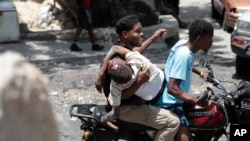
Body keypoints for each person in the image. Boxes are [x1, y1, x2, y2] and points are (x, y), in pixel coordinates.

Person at [95, 14, 180, 141]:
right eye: (137, 31)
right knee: (173, 122)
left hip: (140, 99)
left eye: (141, 30)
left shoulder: (123, 49)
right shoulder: (119, 66)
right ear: (125, 34)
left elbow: (135, 52)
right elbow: (120, 96)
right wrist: (139, 82)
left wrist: (153, 38)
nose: (142, 34)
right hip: (127, 108)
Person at [154, 19, 218, 141]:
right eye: (210, 38)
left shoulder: (182, 44)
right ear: (200, 38)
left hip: (174, 100)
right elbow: (172, 89)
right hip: (170, 104)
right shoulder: (184, 55)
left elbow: (182, 65)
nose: (212, 42)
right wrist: (199, 102)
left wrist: (200, 72)